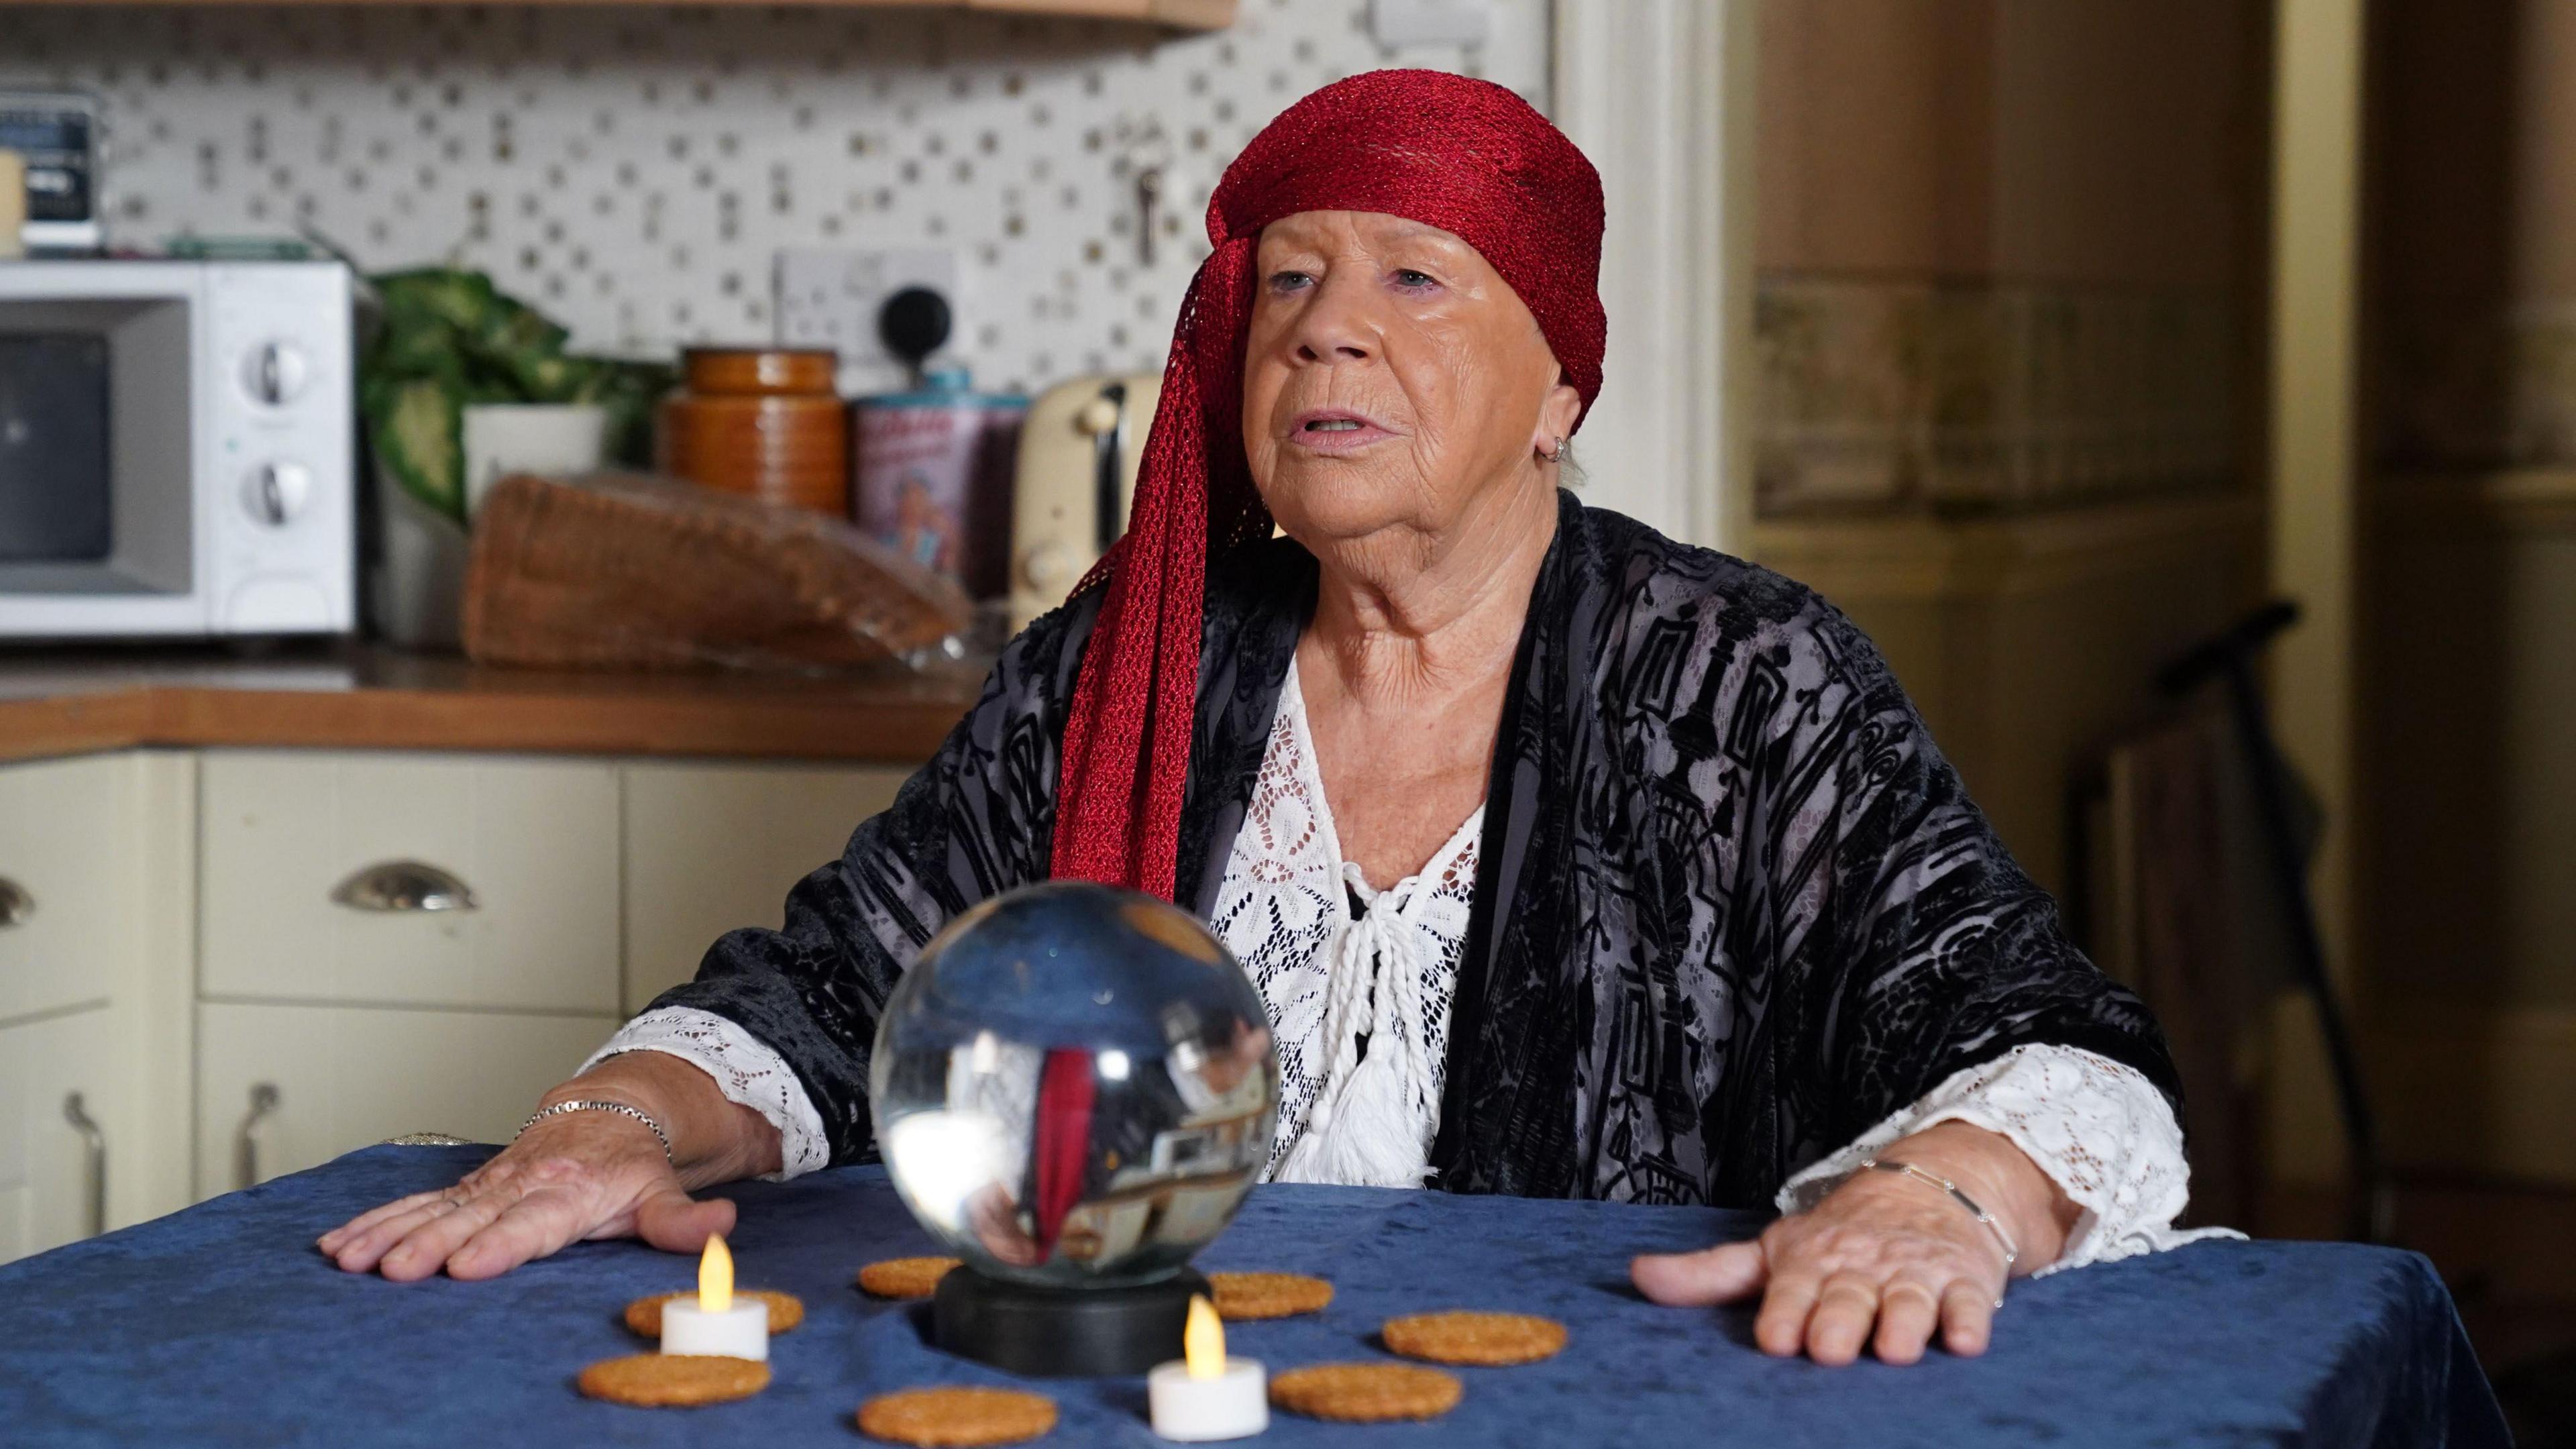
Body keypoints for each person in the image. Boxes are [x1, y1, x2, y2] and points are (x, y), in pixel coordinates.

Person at [321, 70, 2230, 1368]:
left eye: (1413, 278)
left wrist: (1935, 1202)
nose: (1324, 329)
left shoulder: (1742, 679)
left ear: (1561, 381)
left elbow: (2041, 1047)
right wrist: (610, 1118)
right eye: (1292, 284)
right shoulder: (1129, 662)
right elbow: (847, 991)